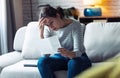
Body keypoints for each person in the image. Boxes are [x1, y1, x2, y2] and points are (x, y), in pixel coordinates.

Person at [37, 4, 91, 78]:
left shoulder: (75, 25)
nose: (51, 27)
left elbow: (78, 52)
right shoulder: (48, 29)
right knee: (42, 62)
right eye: (47, 25)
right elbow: (45, 55)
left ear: (57, 15)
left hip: (79, 58)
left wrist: (68, 53)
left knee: (73, 62)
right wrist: (41, 34)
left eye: (51, 22)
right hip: (60, 59)